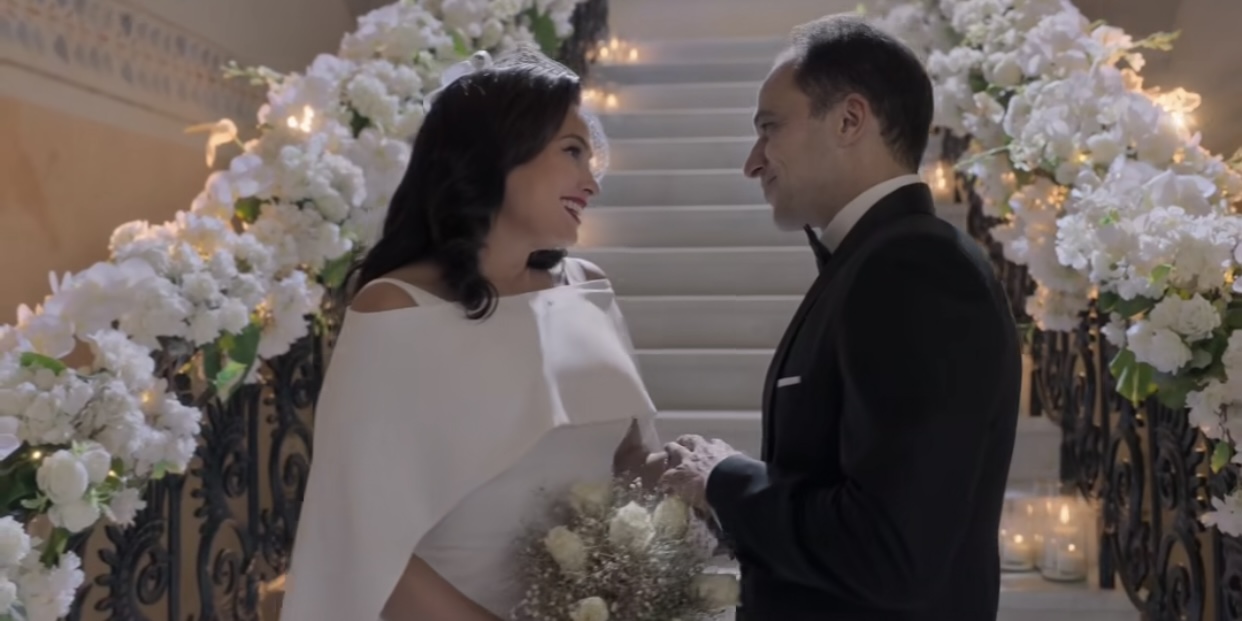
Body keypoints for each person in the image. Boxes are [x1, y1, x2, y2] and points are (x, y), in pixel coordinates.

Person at [279, 49, 665, 621]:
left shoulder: (589, 289)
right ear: (496, 154)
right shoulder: (395, 308)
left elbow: (630, 457)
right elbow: (360, 536)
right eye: (572, 151)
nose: (592, 182)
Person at [660, 14, 1022, 621]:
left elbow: (889, 551)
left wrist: (725, 479)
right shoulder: (876, 262)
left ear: (850, 120)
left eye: (770, 129)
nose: (753, 162)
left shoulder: (913, 268)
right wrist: (718, 499)